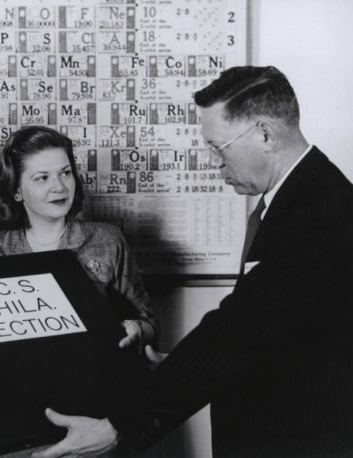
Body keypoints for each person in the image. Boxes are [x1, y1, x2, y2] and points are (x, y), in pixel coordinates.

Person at [31, 66, 353, 458]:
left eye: (218, 148)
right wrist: (183, 366)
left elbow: (239, 332)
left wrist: (119, 426)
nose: (215, 165)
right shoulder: (301, 198)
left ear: (265, 135)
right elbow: (266, 330)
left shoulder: (320, 212)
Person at [0, 125, 159, 352]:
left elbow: (149, 323)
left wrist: (136, 329)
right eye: (42, 178)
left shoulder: (108, 240)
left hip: (96, 379)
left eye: (66, 173)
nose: (59, 187)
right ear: (17, 190)